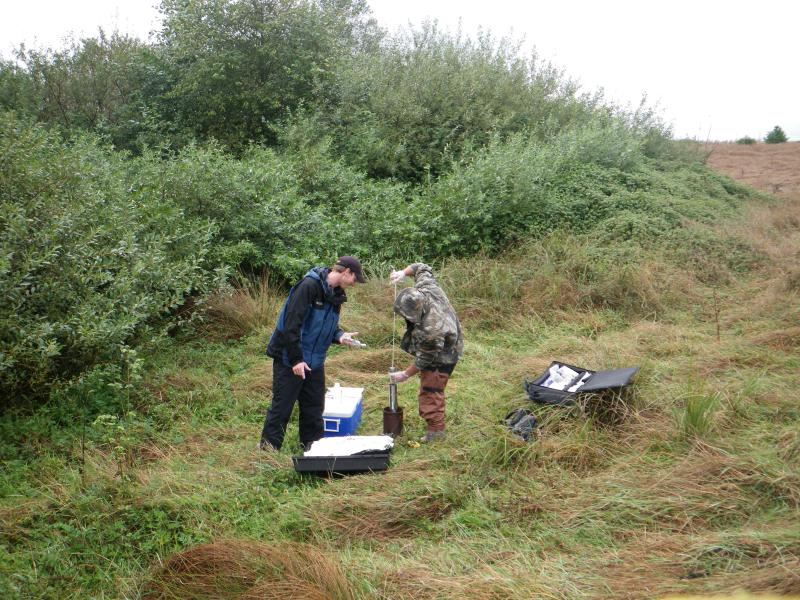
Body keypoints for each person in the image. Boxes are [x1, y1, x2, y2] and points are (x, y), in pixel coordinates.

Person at [259, 256, 366, 451]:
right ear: (346, 272)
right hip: (289, 359)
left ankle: (313, 451)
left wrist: (340, 335)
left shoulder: (336, 295)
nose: (354, 283)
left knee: (314, 410)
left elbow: (325, 326)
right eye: (354, 278)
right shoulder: (308, 286)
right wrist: (296, 360)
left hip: (315, 361)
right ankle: (267, 453)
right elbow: (291, 325)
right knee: (281, 408)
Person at [388, 263, 463, 443]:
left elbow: (425, 358)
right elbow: (421, 267)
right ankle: (435, 428)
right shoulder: (427, 287)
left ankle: (436, 433)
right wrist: (402, 273)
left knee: (431, 389)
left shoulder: (431, 330)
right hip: (447, 337)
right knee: (429, 385)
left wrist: (405, 375)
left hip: (445, 352)